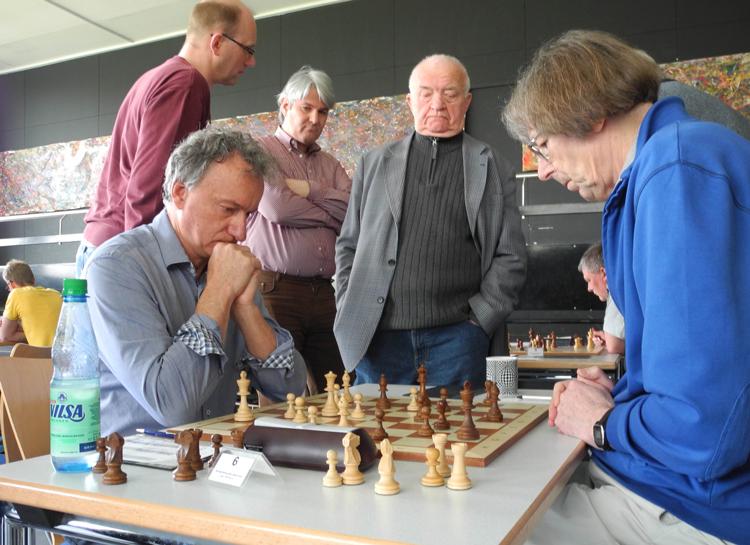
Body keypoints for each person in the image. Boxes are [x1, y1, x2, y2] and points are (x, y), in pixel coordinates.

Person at [503, 30, 750, 544]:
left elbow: (702, 430)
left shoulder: (676, 166)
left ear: (590, 114)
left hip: (699, 505)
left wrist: (603, 423)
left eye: (542, 146)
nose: (544, 170)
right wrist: (624, 398)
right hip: (676, 485)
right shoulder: (663, 167)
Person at [85, 126, 306, 436]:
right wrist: (219, 292)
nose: (241, 232)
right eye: (228, 209)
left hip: (214, 459)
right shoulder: (116, 266)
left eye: (249, 214)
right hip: (133, 468)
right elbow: (173, 406)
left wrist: (246, 309)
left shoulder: (226, 263)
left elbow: (290, 390)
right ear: (180, 193)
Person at [335, 54, 526, 388]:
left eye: (450, 93)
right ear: (410, 101)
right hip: (378, 340)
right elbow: (348, 244)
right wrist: (350, 303)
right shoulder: (373, 163)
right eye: (426, 93)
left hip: (458, 340)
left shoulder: (493, 165)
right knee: (375, 438)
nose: (437, 104)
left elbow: (510, 255)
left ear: (466, 101)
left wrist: (480, 320)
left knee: (455, 438)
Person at [77, 0, 258, 275]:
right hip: (118, 255)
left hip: (104, 245)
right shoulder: (185, 84)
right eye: (247, 49)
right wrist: (145, 269)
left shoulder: (160, 77)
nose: (251, 61)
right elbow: (149, 189)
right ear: (218, 42)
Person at [244, 66, 350, 394]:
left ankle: (333, 448)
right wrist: (326, 211)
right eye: (307, 108)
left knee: (334, 391)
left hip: (323, 293)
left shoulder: (330, 164)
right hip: (276, 290)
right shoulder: (259, 151)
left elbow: (352, 213)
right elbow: (278, 207)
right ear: (286, 105)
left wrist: (308, 190)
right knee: (281, 393)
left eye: (323, 112)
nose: (315, 119)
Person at [1, 259, 62, 347]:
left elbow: (5, 337)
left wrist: (27, 331)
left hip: (40, 358)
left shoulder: (16, 294)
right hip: (62, 356)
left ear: (12, 284)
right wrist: (30, 329)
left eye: (8, 286)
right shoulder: (56, 294)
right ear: (33, 279)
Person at [577, 242, 624, 354]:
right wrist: (606, 337)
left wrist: (610, 340)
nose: (589, 288)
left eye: (589, 280)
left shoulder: (616, 293)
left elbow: (614, 347)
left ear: (603, 273)